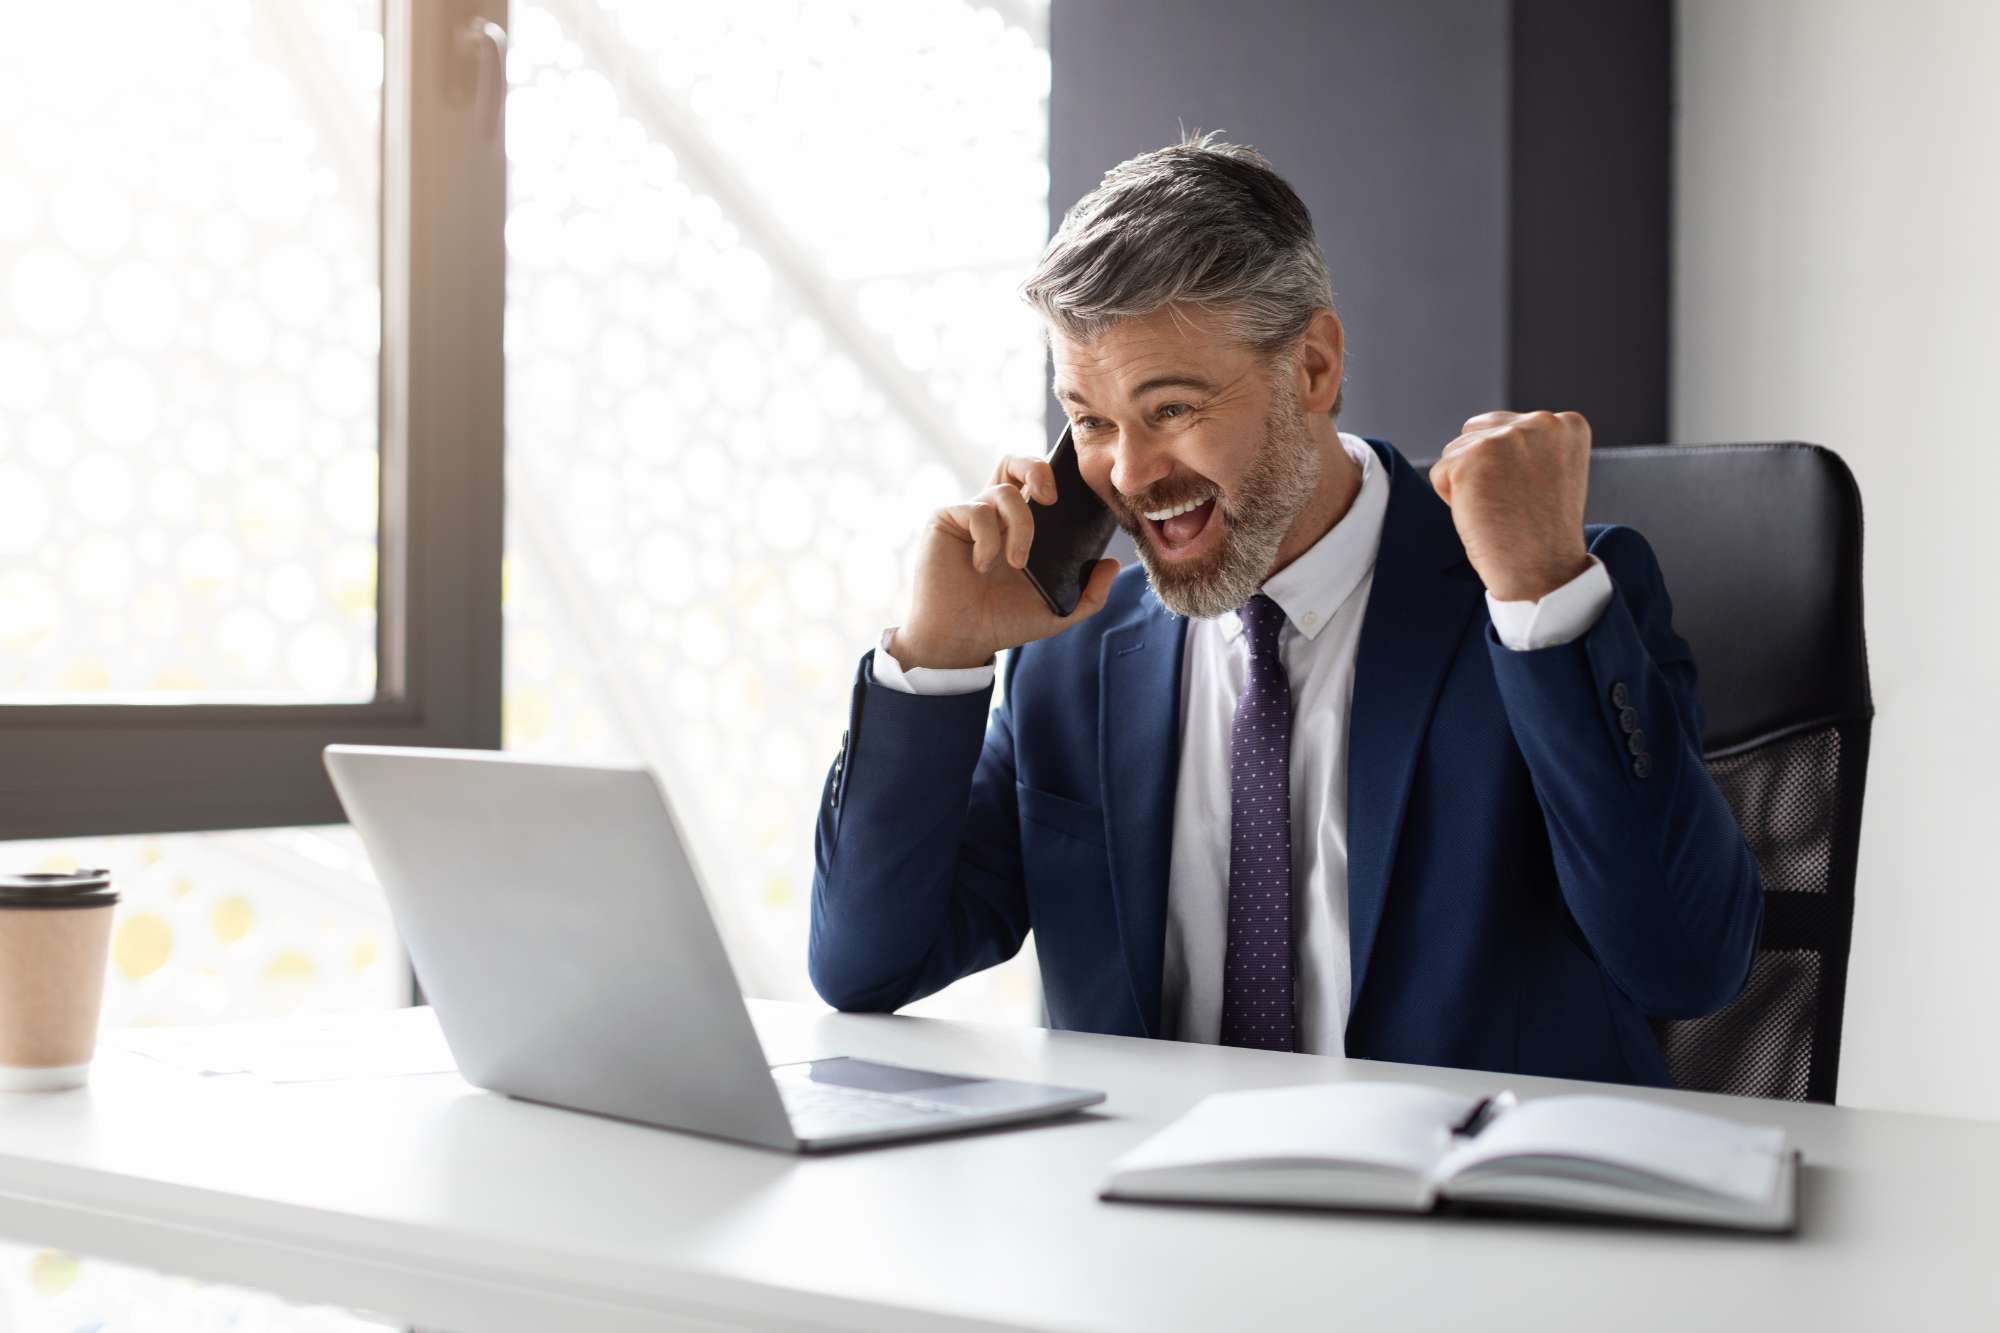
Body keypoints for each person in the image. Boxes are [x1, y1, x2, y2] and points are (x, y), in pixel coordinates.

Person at [807, 133, 1761, 1086]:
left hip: (1460, 1215)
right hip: (1145, 1211)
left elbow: (1687, 963)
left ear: (1311, 368)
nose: (1130, 474)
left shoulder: (1533, 598)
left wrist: (1546, 596)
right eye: (1092, 421)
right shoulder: (1070, 654)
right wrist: (935, 658)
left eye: (1171, 408)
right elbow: (864, 965)